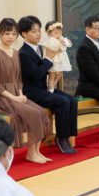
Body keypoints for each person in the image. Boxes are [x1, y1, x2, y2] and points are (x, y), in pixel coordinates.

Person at [0, 18, 53, 164]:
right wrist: (14, 98)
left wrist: (21, 94)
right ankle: (31, 153)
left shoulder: (16, 53)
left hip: (16, 94)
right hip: (1, 97)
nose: (11, 37)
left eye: (13, 34)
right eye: (7, 34)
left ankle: (36, 151)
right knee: (33, 113)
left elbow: (18, 79)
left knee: (41, 112)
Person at [18, 15, 79, 154]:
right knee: (63, 102)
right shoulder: (23, 53)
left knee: (72, 100)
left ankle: (69, 136)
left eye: (39, 30)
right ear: (24, 34)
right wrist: (48, 59)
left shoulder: (42, 47)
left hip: (44, 88)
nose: (38, 34)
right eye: (34, 31)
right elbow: (37, 74)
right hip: (32, 92)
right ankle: (61, 138)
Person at [42, 20, 73, 92]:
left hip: (61, 60)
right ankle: (50, 89)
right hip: (53, 60)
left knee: (59, 75)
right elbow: (53, 47)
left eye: (60, 32)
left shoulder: (60, 38)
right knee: (52, 76)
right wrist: (59, 42)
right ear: (49, 33)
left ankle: (53, 87)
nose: (58, 35)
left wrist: (67, 43)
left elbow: (65, 46)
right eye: (56, 33)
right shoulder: (49, 40)